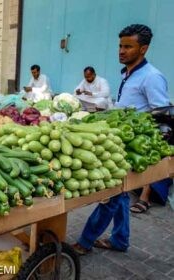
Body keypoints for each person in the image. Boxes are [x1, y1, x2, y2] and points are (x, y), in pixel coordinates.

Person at [72, 24, 170, 255]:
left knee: (112, 195)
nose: (121, 51)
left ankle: (85, 241)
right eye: (120, 46)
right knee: (122, 194)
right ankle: (120, 240)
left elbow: (162, 118)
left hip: (133, 149)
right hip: (118, 144)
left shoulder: (152, 77)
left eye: (128, 46)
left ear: (143, 49)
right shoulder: (128, 74)